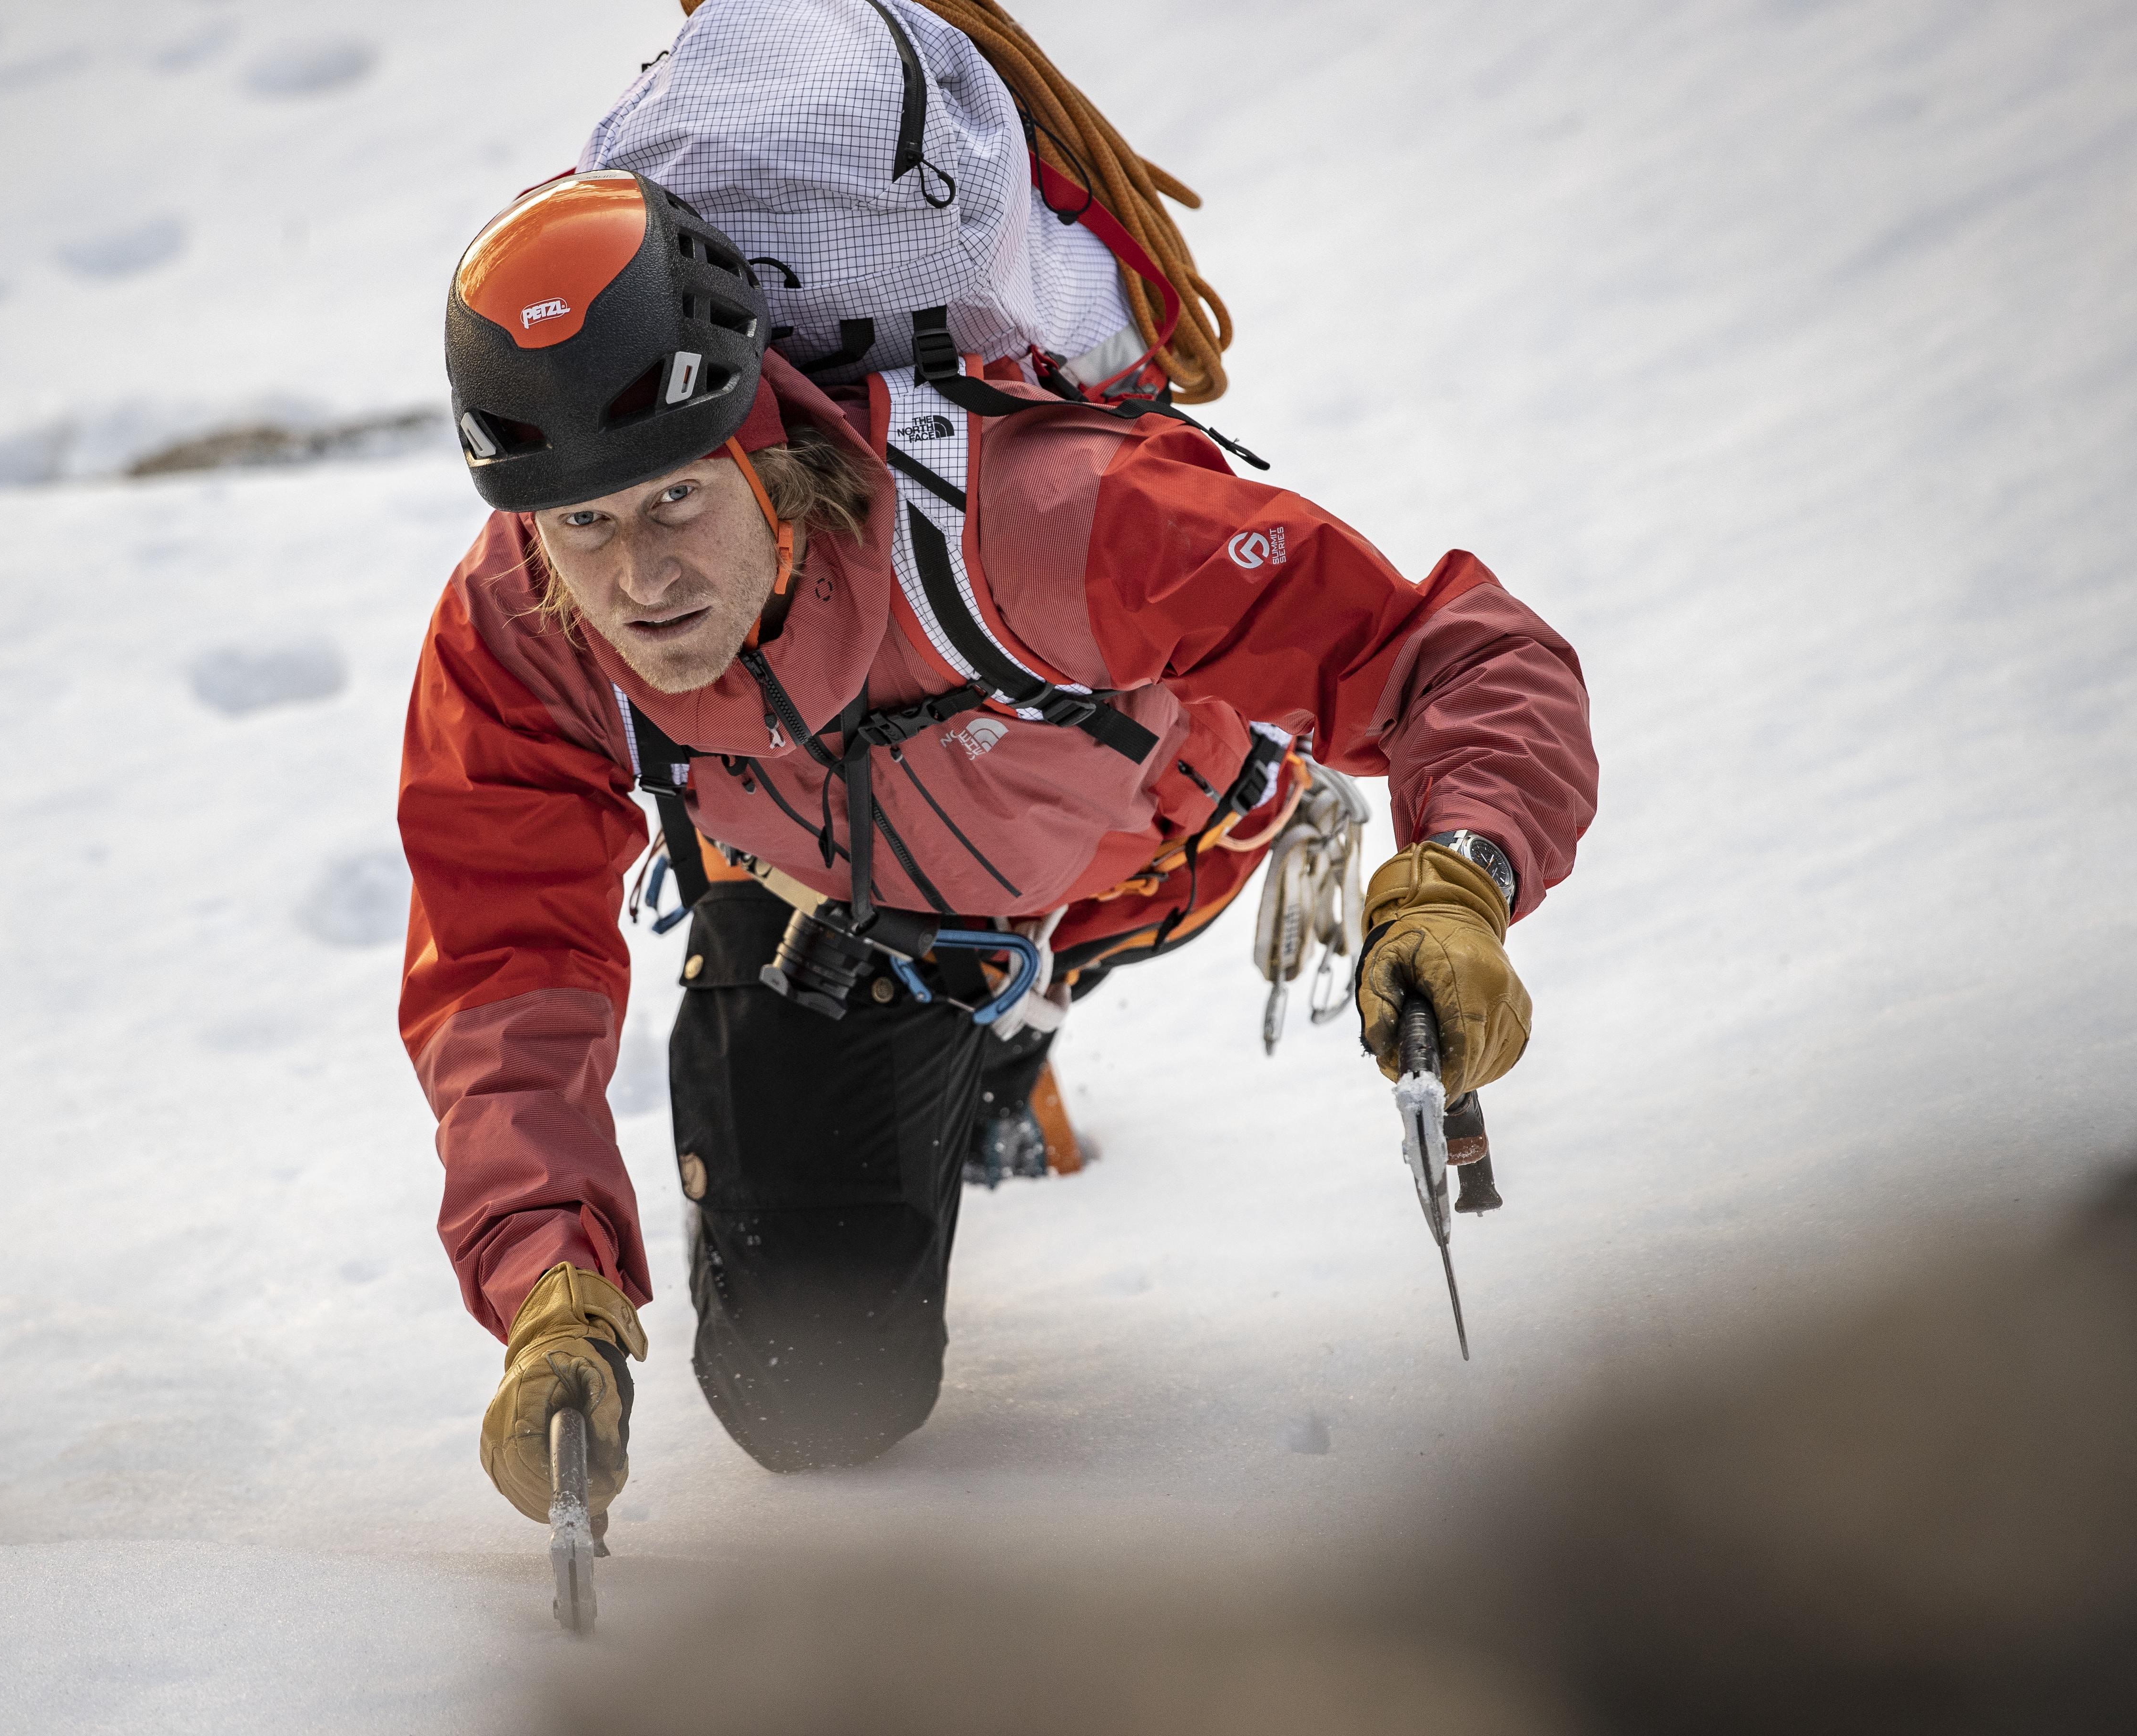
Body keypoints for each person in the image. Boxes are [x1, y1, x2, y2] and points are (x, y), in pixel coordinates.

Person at [397, 170, 1596, 1525]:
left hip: (1132, 841)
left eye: (676, 501)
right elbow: (503, 965)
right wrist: (551, 1288)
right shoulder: (521, 636)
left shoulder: (1030, 516)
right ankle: (964, 1038)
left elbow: (1451, 655)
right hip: (826, 897)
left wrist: (1464, 879)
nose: (638, 581)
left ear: (761, 450)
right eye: (584, 526)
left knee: (1038, 859)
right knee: (811, 1399)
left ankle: (1014, 1024)